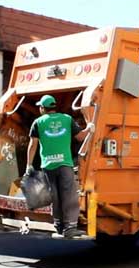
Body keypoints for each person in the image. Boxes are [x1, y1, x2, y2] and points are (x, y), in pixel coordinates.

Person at [26, 94, 95, 239]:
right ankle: (70, 228)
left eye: (40, 106)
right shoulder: (67, 119)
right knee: (68, 195)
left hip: (48, 165)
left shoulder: (38, 122)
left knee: (54, 195)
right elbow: (80, 137)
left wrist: (29, 165)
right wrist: (89, 128)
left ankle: (58, 225)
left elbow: (33, 145)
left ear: (43, 108)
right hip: (65, 164)